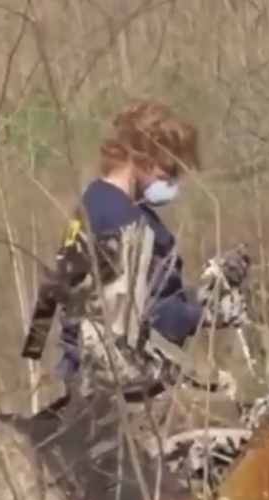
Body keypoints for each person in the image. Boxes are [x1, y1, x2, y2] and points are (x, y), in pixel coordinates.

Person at [50, 100, 206, 381]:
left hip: (83, 370)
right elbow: (155, 313)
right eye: (169, 170)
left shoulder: (89, 206)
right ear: (142, 159)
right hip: (125, 381)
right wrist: (205, 313)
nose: (174, 181)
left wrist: (200, 295)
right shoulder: (126, 223)